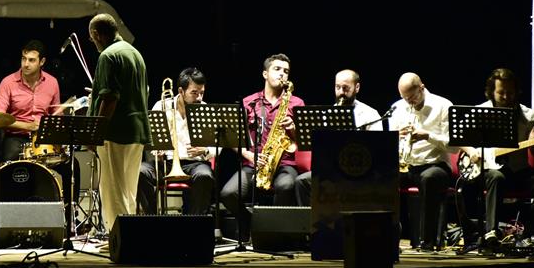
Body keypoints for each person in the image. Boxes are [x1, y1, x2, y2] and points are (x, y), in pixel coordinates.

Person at [219, 53, 305, 241]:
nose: (282, 74)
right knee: (228, 193)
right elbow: (233, 138)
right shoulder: (249, 102)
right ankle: (250, 223)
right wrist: (249, 155)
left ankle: (273, 233)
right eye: (277, 69)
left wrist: (293, 128)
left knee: (286, 186)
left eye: (286, 71)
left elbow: (304, 141)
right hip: (254, 164)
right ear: (265, 74)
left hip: (284, 164)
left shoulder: (296, 103)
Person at [459, 68, 534, 248]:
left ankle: (532, 233)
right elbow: (457, 137)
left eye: (510, 92)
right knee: (497, 177)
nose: (506, 97)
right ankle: (491, 233)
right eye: (501, 92)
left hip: (518, 170)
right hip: (489, 169)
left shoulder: (528, 115)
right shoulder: (480, 111)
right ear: (491, 92)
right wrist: (471, 151)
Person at [88, 13, 151, 232]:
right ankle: (129, 236)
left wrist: (95, 131)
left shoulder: (108, 56)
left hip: (115, 132)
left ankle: (118, 239)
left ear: (96, 34)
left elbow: (110, 98)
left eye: (92, 38)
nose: (93, 42)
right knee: (128, 191)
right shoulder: (134, 53)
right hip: (136, 131)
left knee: (113, 191)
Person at [294, 69, 383, 206]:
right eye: (337, 87)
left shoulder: (370, 114)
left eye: (346, 88)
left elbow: (378, 147)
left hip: (360, 170)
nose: (341, 92)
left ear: (357, 87)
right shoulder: (328, 113)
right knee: (301, 182)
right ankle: (313, 220)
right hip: (334, 170)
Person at [136, 67, 215, 215]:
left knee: (205, 176)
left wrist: (205, 150)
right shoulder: (162, 105)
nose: (199, 98)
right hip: (166, 163)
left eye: (202, 93)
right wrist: (156, 148)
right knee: (140, 172)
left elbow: (217, 145)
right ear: (181, 91)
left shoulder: (205, 110)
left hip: (195, 164)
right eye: (194, 93)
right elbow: (150, 136)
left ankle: (195, 221)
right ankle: (151, 218)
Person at [388, 72, 453, 251]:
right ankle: (388, 238)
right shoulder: (397, 107)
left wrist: (427, 136)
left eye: (412, 97)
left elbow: (453, 146)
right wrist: (396, 136)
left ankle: (427, 242)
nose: (409, 102)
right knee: (383, 178)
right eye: (405, 98)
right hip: (407, 164)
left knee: (429, 179)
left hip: (435, 164)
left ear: (421, 88)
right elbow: (389, 143)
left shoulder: (443, 105)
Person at [0, 39, 61, 162]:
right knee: (10, 162)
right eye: (24, 59)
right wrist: (28, 126)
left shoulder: (52, 82)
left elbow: (57, 114)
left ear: (42, 62)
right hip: (16, 137)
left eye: (31, 60)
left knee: (69, 165)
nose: (26, 64)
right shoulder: (8, 82)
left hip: (43, 137)